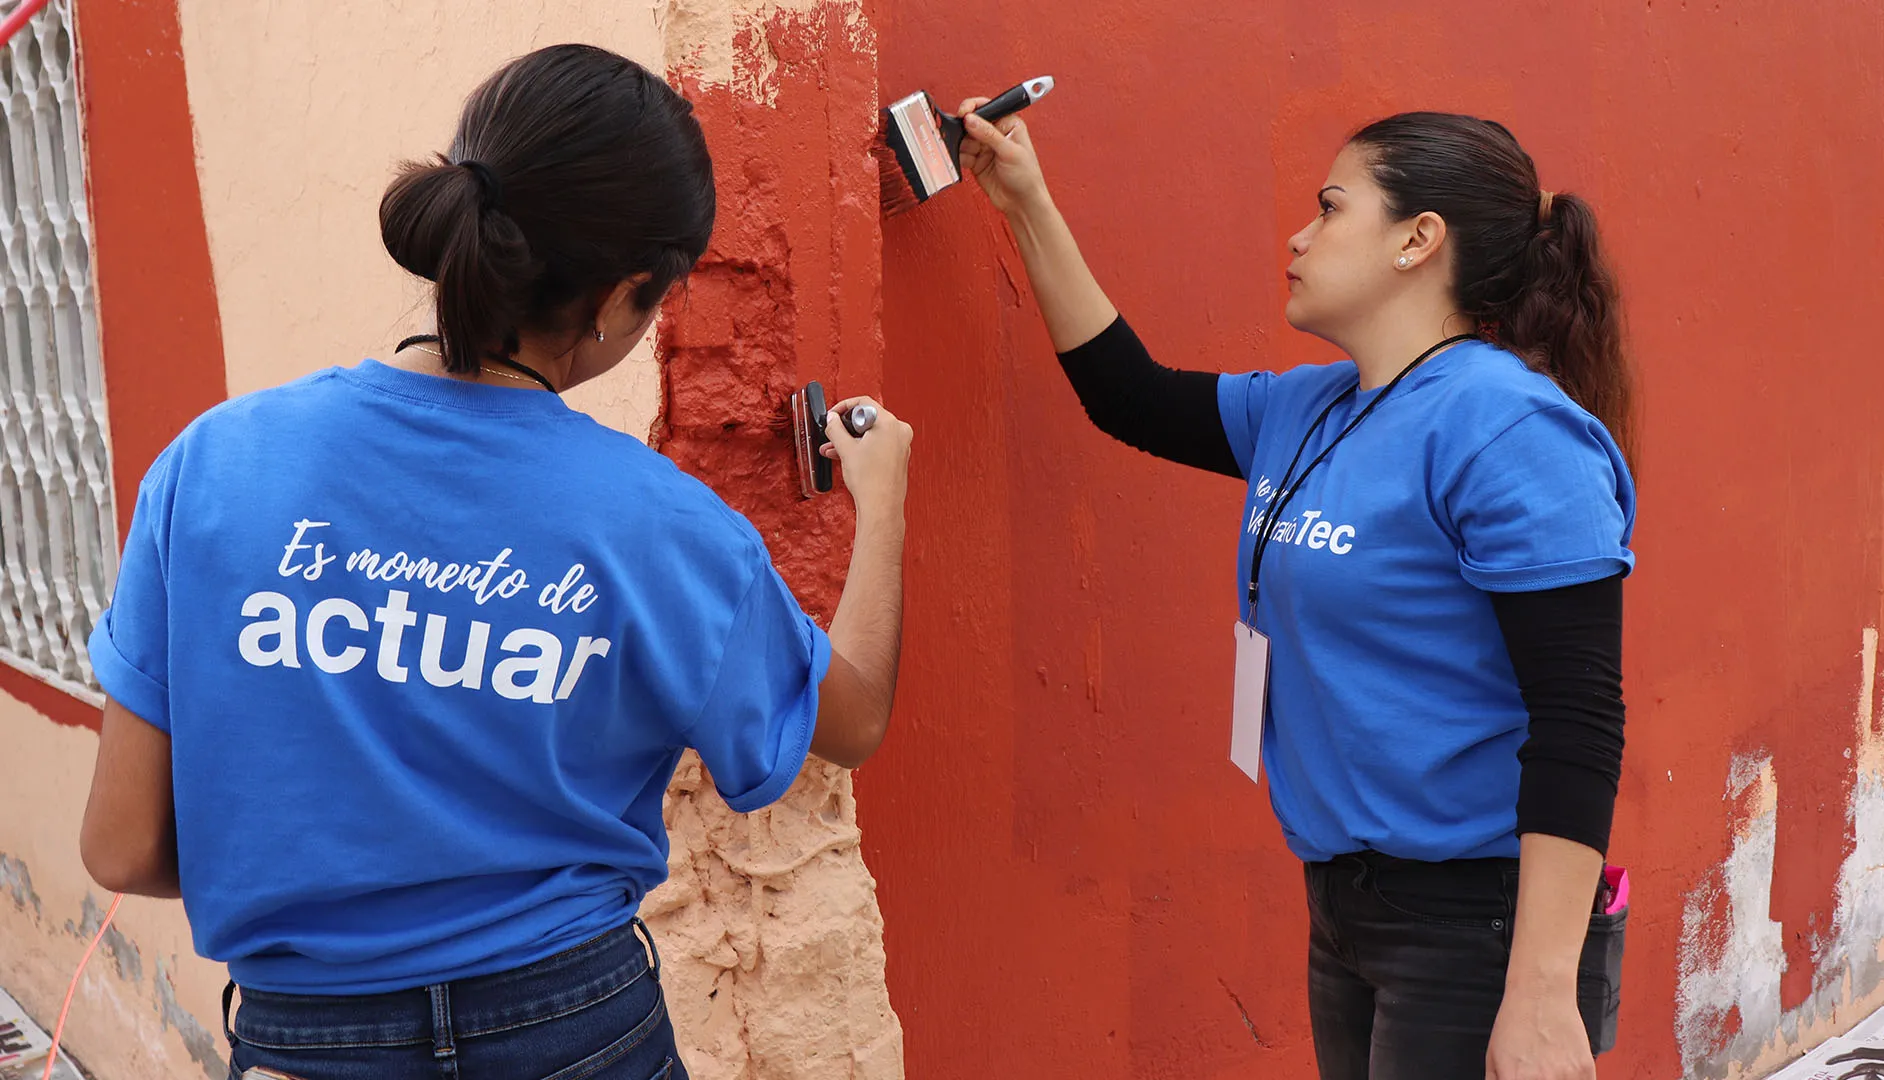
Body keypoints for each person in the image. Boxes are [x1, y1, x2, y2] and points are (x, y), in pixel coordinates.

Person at [77, 44, 912, 1080]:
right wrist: (884, 501)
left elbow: (123, 850)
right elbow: (855, 716)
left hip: (304, 1041)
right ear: (627, 292)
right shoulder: (660, 524)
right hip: (573, 1028)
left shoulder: (211, 467)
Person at [958, 104, 1634, 1080]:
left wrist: (1538, 992)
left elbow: (1579, 717)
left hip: (1471, 919)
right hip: (1345, 902)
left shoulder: (1507, 430)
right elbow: (1128, 395)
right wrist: (1025, 201)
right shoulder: (1310, 407)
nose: (1299, 234)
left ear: (1417, 240)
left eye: (1330, 206)